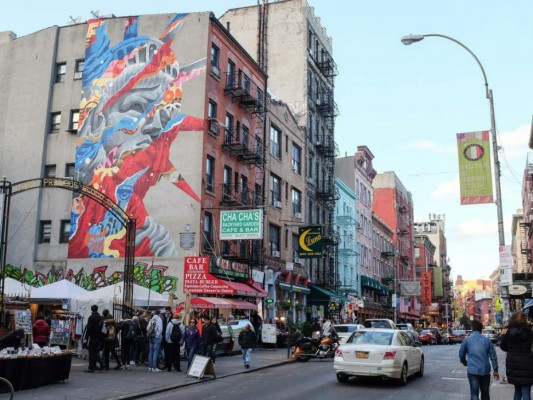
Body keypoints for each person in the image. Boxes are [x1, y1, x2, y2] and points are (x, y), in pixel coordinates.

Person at [459, 320, 499, 400]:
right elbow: (493, 356)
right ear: (481, 330)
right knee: (485, 394)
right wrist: (495, 370)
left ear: (472, 328)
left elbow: (461, 355)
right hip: (485, 371)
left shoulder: (466, 340)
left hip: (472, 371)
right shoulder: (487, 341)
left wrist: (465, 363)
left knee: (474, 394)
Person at [500, 311, 533, 400]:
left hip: (513, 364)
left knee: (517, 390)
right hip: (527, 364)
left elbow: (504, 347)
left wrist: (503, 336)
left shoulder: (508, 331)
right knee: (526, 390)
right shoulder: (529, 331)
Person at [83, 304, 104, 373]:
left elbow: (89, 329)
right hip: (99, 337)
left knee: (91, 352)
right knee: (96, 352)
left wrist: (86, 338)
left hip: (93, 337)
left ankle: (91, 367)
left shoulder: (91, 317)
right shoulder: (100, 317)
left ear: (91, 309)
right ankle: (99, 364)